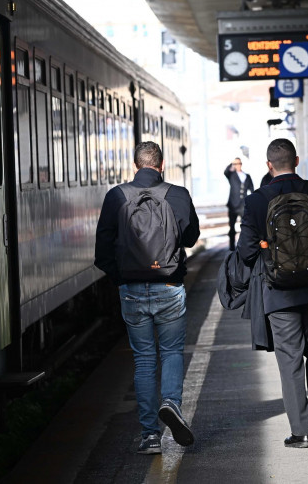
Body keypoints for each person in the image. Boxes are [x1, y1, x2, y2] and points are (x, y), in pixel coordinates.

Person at [237, 138, 308, 449]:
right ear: (297, 161)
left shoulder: (257, 200)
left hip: (279, 292)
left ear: (268, 166)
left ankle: (302, 432)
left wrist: (267, 245)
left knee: (289, 360)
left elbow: (246, 251)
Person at [94, 141, 200, 455]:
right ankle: (171, 403)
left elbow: (102, 252)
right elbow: (191, 238)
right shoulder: (177, 194)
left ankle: (150, 437)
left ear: (135, 164)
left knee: (143, 361)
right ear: (162, 164)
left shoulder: (116, 196)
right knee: (171, 353)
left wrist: (122, 280)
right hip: (169, 287)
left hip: (131, 290)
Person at [224, 157, 254, 251]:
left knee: (245, 226)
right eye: (235, 164)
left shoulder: (247, 176)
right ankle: (231, 246)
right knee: (231, 227)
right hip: (233, 205)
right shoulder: (231, 175)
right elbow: (225, 172)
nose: (237, 165)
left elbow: (252, 190)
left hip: (243, 205)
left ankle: (243, 245)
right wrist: (231, 164)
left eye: (239, 163)